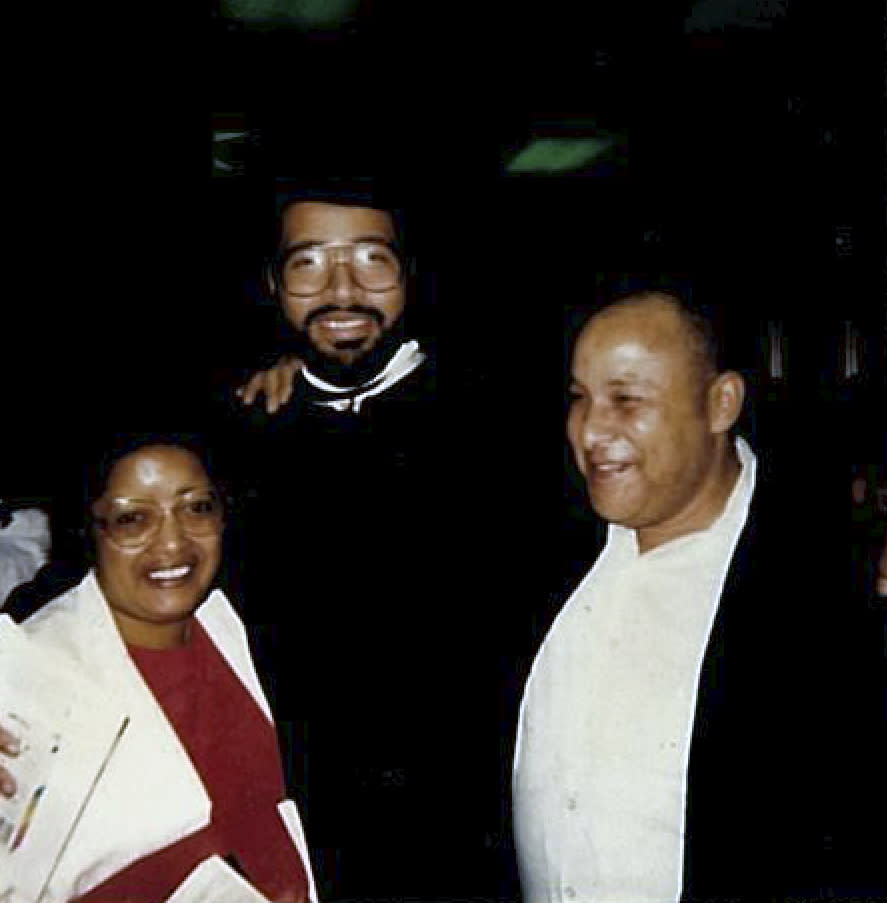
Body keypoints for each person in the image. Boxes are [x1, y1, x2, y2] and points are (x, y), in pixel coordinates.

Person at [512, 285, 877, 902]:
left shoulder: (831, 592)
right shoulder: (536, 542)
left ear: (720, 402)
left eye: (626, 400)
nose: (591, 430)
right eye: (580, 398)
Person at [211, 177, 509, 900]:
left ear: (410, 274)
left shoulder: (502, 430)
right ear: (273, 284)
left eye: (371, 259)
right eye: (308, 263)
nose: (341, 291)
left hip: (470, 839)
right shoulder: (233, 434)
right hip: (294, 840)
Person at [0, 433, 315, 903]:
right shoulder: (28, 670)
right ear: (89, 529)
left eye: (198, 508)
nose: (172, 542)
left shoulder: (243, 626)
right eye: (132, 519)